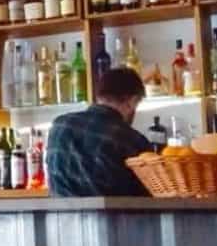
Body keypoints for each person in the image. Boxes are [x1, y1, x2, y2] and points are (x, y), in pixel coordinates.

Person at [46, 67, 152, 197]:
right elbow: (148, 198)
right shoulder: (132, 140)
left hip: (62, 217)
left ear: (99, 96)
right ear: (132, 101)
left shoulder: (59, 125)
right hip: (115, 217)